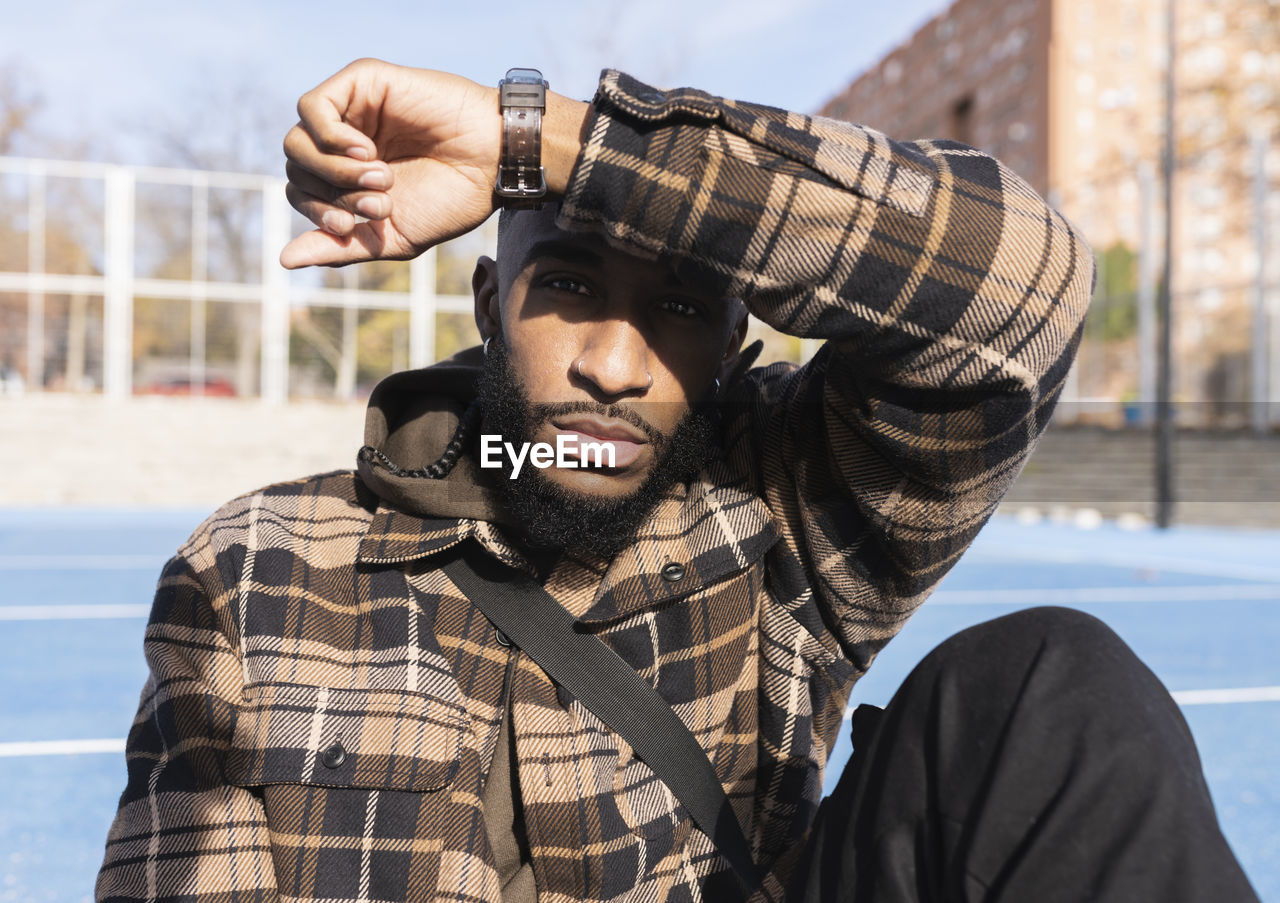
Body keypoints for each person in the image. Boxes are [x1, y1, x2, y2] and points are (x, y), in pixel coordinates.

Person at [96, 60, 1258, 903]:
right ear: (487, 311)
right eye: (564, 288)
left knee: (1049, 686)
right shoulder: (259, 569)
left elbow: (1020, 289)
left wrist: (541, 144)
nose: (610, 365)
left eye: (682, 309)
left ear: (734, 355)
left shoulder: (781, 520)